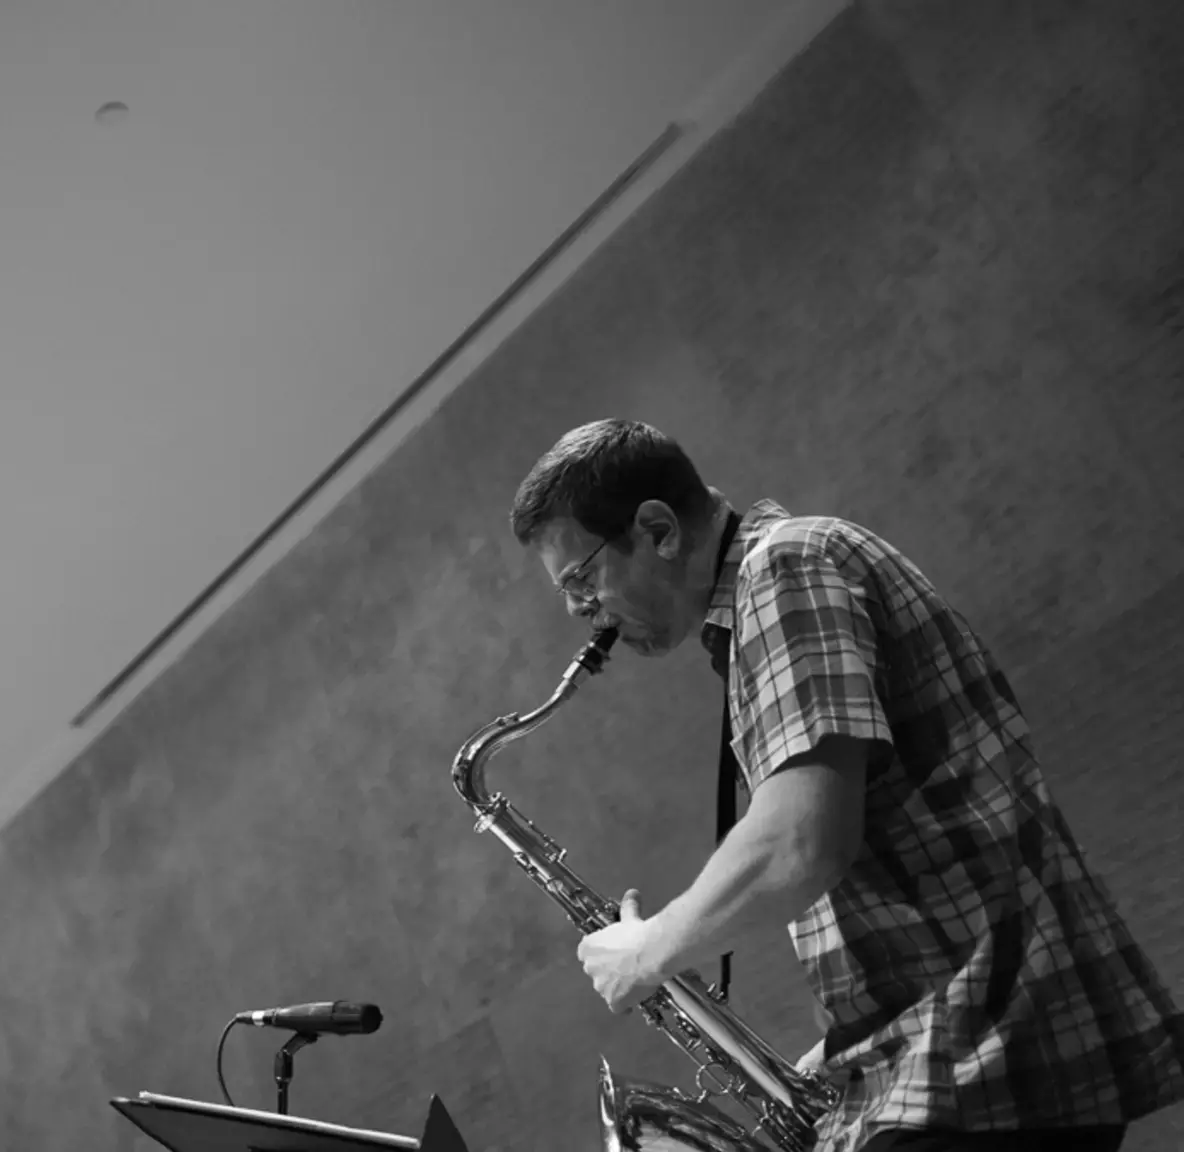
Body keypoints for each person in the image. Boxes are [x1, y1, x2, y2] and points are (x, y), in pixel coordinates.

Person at [507, 419, 1184, 1151]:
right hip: (973, 1042)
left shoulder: (784, 568)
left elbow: (802, 839)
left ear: (658, 528)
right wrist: (844, 1062)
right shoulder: (781, 583)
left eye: (581, 578)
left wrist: (649, 950)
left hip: (982, 1055)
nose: (580, 612)